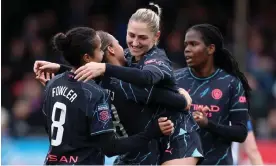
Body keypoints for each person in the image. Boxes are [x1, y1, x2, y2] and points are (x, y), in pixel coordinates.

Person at [71, 3, 203, 165]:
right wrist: (60, 70)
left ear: (156, 37)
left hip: (178, 136)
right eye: (131, 35)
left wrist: (181, 97)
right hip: (146, 143)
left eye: (142, 37)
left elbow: (146, 78)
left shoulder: (156, 58)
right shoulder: (123, 60)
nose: (134, 42)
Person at [34, 30, 193, 165]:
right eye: (118, 43)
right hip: (135, 156)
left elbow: (79, 78)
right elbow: (110, 148)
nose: (124, 47)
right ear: (110, 49)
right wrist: (181, 100)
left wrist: (62, 69)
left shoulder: (53, 84)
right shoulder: (104, 90)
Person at [174, 23, 250, 165]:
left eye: (193, 44)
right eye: (186, 45)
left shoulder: (231, 84)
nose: (187, 50)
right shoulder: (175, 80)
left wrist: (208, 124)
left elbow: (241, 133)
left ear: (210, 49)